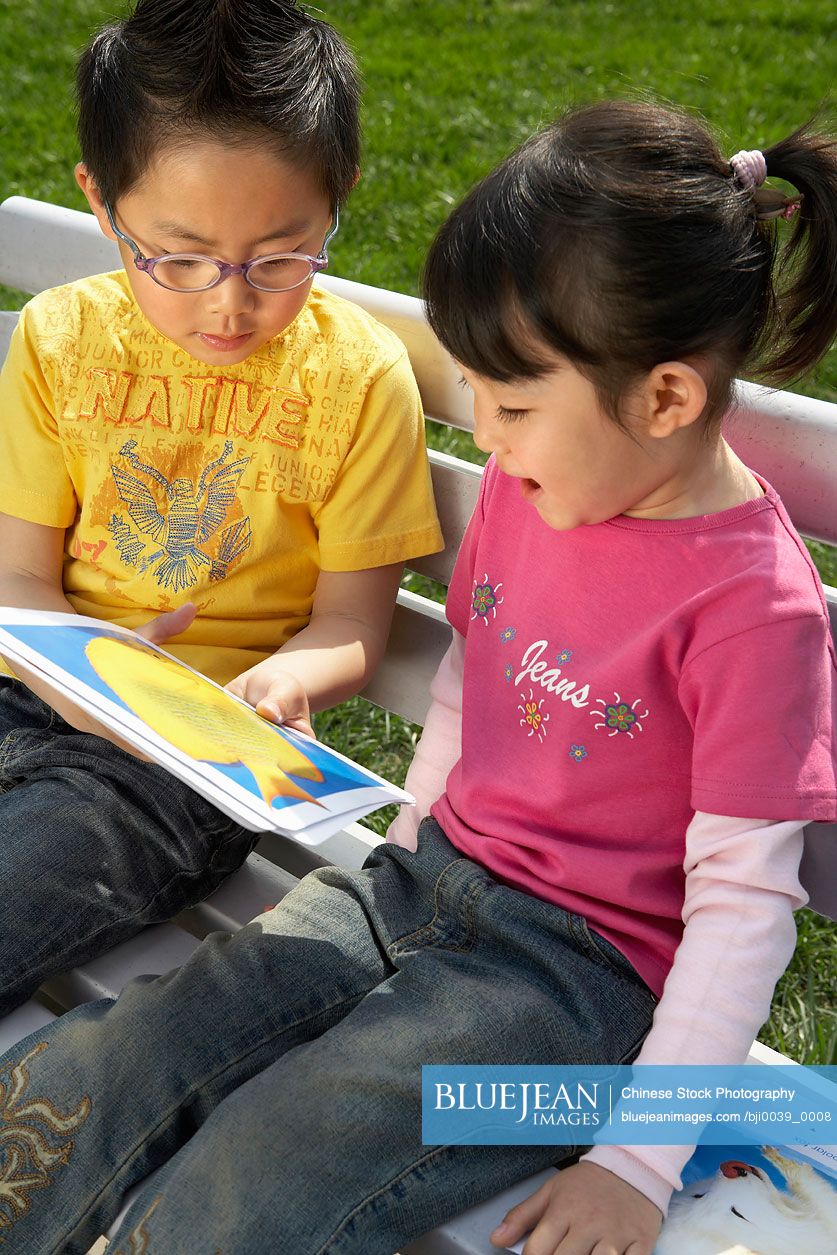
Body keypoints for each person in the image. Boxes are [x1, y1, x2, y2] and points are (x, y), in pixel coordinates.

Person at [0, 100, 835, 1255]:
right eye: (476, 399)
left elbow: (745, 910)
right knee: (131, 1052)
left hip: (562, 1001)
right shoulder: (534, 484)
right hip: (409, 888)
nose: (483, 437)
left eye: (515, 405)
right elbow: (469, 688)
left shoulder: (754, 609)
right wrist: (402, 842)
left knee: (278, 1153)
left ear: (667, 398)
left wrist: (636, 1164)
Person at [0, 0, 442, 1017]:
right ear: (103, 208)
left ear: (340, 203)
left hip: (174, 772)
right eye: (181, 258)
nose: (229, 304)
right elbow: (20, 582)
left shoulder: (358, 380)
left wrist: (282, 683)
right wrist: (89, 676)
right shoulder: (61, 339)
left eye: (281, 258)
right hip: (33, 687)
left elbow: (350, 627)